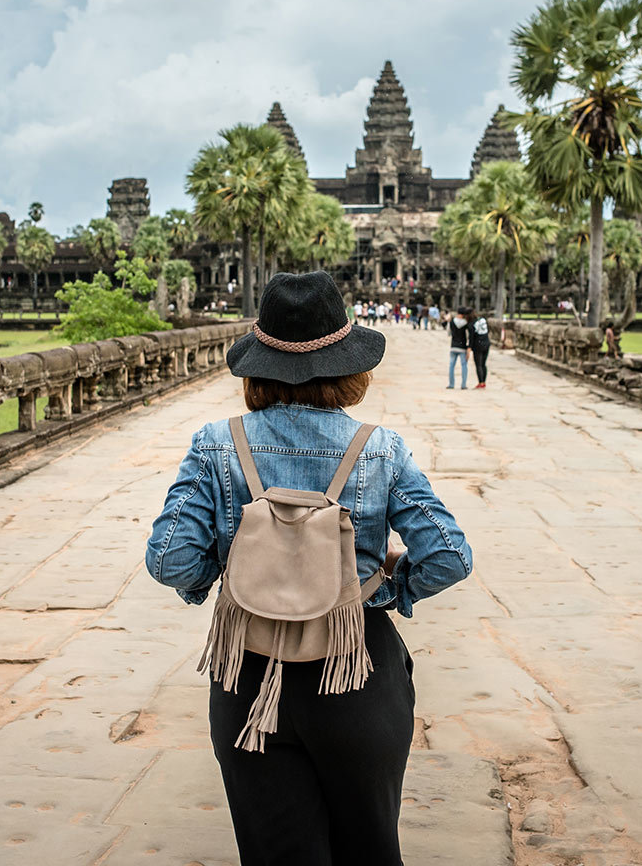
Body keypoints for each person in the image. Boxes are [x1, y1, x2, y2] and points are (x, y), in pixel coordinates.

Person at [146, 271, 472, 865]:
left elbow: (169, 560)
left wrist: (233, 571)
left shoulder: (216, 444)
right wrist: (386, 589)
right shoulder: (380, 448)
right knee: (369, 851)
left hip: (246, 673)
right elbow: (450, 555)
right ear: (349, 364)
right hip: (357, 673)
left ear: (257, 366)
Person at [447, 307, 470, 389]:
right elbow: (468, 336)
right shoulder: (466, 323)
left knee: (451, 366)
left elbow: (448, 333)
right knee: (464, 365)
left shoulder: (452, 322)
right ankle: (463, 385)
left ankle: (451, 384)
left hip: (453, 346)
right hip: (462, 347)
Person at [470, 311, 491, 389]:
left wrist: (469, 347)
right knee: (483, 364)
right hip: (486, 343)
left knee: (478, 364)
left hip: (478, 346)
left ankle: (481, 382)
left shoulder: (472, 324)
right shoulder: (483, 320)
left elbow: (471, 338)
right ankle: (484, 382)